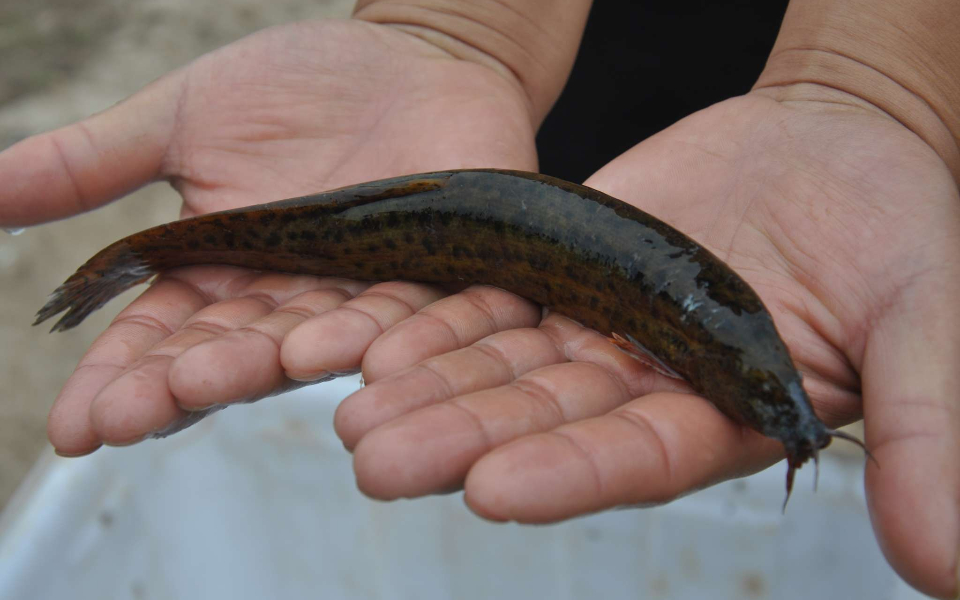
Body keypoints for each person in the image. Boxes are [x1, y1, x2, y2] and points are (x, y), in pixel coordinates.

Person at [2, 1, 958, 597]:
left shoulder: (735, 317)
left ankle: (137, 253)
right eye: (763, 392)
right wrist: (462, 24)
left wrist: (887, 85)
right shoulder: (714, 321)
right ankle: (138, 255)